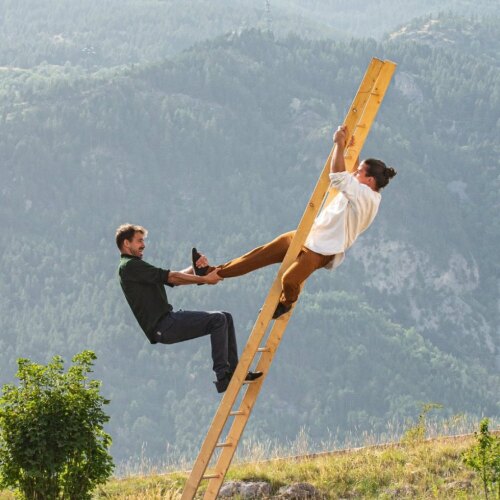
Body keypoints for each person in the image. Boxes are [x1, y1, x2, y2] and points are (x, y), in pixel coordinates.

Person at [194, 125, 397, 319]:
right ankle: (215, 272)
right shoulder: (364, 190)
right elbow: (350, 173)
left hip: (323, 250)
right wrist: (348, 146)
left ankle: (286, 302)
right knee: (258, 255)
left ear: (370, 180)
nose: (355, 173)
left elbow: (338, 176)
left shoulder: (366, 197)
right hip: (309, 234)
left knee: (289, 280)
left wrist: (338, 144)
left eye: (360, 172)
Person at [116, 224, 262, 393]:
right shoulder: (129, 266)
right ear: (127, 243)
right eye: (139, 241)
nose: (143, 245)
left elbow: (172, 279)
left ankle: (235, 372)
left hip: (167, 321)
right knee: (218, 320)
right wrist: (206, 279)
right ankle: (223, 377)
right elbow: (173, 277)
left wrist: (195, 269)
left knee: (225, 317)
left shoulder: (134, 266)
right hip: (163, 326)